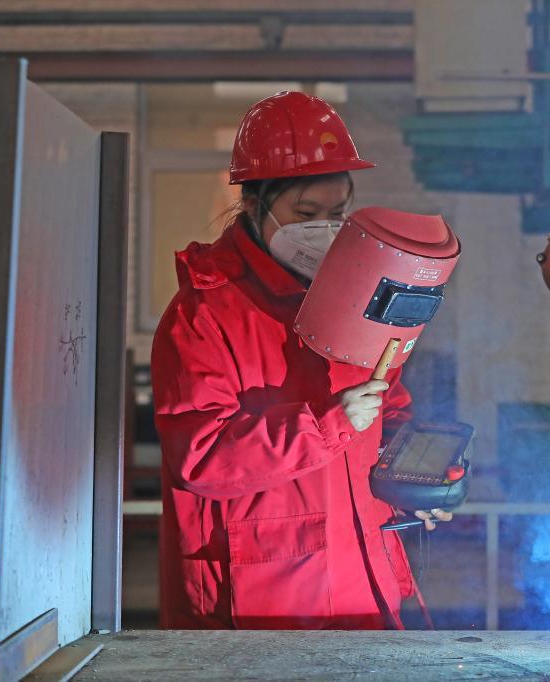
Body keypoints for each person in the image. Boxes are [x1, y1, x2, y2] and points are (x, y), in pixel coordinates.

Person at [151, 91, 450, 630]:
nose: (325, 229)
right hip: (259, 606)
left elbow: (388, 412)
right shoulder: (204, 314)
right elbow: (201, 458)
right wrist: (327, 424)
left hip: (364, 585)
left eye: (338, 214)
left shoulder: (358, 295)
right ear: (252, 204)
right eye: (306, 214)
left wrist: (412, 481)